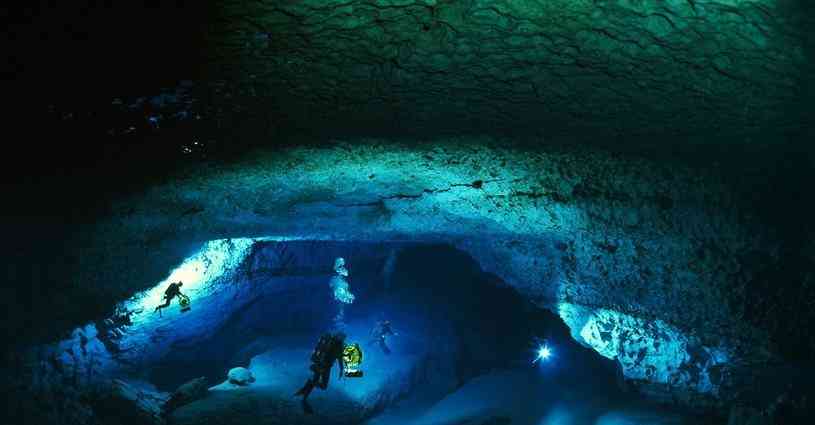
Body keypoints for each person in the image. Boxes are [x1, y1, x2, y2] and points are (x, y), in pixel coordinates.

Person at [295, 332, 347, 412]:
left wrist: (341, 369)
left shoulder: (333, 344)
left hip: (320, 364)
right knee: (323, 386)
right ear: (341, 339)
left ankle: (305, 395)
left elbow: (338, 358)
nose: (344, 340)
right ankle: (305, 394)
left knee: (316, 382)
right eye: (343, 338)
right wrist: (341, 370)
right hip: (324, 367)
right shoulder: (338, 347)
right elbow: (339, 359)